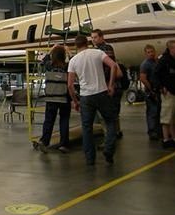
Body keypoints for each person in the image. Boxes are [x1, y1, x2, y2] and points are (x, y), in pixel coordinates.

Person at [67, 35, 120, 166]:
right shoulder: (97, 53)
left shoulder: (73, 61)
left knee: (87, 128)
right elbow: (113, 65)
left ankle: (90, 159)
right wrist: (111, 84)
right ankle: (108, 149)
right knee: (111, 122)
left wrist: (75, 101)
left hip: (86, 97)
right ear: (88, 42)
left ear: (76, 45)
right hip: (102, 93)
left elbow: (69, 85)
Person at [37, 45, 71, 154]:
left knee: (49, 120)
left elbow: (44, 58)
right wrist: (68, 52)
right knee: (64, 120)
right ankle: (64, 144)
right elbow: (74, 61)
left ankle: (44, 141)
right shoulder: (66, 67)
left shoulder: (49, 66)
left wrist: (52, 48)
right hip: (64, 98)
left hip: (51, 98)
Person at [91, 29, 124, 138]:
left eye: (95, 37)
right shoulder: (103, 49)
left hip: (109, 84)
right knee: (114, 111)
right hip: (113, 83)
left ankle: (110, 136)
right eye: (92, 38)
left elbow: (108, 68)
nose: (93, 40)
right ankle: (117, 132)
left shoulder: (104, 49)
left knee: (109, 113)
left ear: (101, 37)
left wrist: (109, 83)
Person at [155, 39, 175, 149]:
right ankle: (166, 139)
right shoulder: (164, 60)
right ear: (171, 49)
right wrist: (161, 87)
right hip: (168, 93)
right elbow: (156, 75)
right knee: (166, 117)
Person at [139, 44, 161, 140]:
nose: (151, 54)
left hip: (158, 90)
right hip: (151, 91)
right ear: (145, 54)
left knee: (158, 111)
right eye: (148, 52)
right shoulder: (145, 64)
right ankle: (152, 131)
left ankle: (158, 130)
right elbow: (143, 78)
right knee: (152, 111)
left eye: (152, 51)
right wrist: (151, 90)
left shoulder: (156, 62)